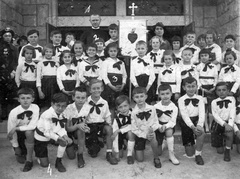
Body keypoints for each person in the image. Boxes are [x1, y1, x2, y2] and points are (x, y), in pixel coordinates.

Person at [34, 93, 72, 172]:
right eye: (58, 105)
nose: (60, 108)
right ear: (52, 104)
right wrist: (58, 138)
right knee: (44, 164)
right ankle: (39, 155)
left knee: (64, 143)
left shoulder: (63, 113)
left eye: (63, 106)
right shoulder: (47, 115)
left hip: (53, 133)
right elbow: (47, 133)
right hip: (42, 137)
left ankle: (58, 161)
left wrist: (65, 136)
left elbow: (60, 127)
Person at [85, 79, 118, 164]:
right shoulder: (85, 102)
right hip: (89, 126)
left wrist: (110, 125)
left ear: (102, 89)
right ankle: (95, 144)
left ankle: (109, 153)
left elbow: (107, 115)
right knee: (93, 153)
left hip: (100, 125)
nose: (96, 90)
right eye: (94, 88)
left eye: (98, 88)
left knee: (108, 129)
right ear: (90, 90)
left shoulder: (104, 102)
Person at [7, 88, 39, 172]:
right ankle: (21, 150)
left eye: (28, 98)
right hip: (19, 133)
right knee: (21, 160)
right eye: (22, 98)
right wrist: (15, 146)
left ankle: (29, 160)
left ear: (33, 99)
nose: (25, 100)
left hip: (30, 131)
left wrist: (16, 128)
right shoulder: (14, 112)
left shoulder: (35, 108)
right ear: (18, 100)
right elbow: (10, 130)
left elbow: (32, 126)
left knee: (29, 132)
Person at [131, 87, 161, 168]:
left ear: (146, 97)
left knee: (153, 137)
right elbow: (134, 129)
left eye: (141, 96)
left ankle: (156, 158)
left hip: (150, 132)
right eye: (137, 97)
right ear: (133, 98)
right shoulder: (133, 112)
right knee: (140, 159)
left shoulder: (152, 108)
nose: (139, 99)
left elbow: (156, 122)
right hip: (140, 134)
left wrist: (152, 130)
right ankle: (136, 148)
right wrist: (144, 135)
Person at [178, 77, 205, 165]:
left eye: (193, 86)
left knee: (201, 131)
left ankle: (198, 154)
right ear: (184, 88)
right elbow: (184, 116)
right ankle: (193, 142)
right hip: (186, 122)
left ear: (197, 87)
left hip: (197, 120)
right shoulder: (181, 99)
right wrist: (192, 127)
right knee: (189, 154)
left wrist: (199, 125)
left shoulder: (200, 98)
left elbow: (202, 113)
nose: (191, 89)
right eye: (188, 86)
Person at [63, 86, 90, 168]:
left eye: (83, 98)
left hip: (78, 131)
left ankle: (80, 155)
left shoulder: (87, 107)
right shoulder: (68, 108)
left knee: (81, 131)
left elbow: (85, 122)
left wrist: (86, 127)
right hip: (68, 132)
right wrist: (78, 125)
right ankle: (73, 144)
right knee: (71, 157)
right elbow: (67, 128)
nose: (80, 100)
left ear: (86, 98)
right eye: (78, 97)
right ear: (73, 97)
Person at [154, 84, 180, 165]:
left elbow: (173, 122)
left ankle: (171, 155)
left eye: (167, 93)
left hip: (169, 126)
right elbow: (154, 120)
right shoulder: (155, 106)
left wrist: (165, 126)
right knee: (158, 153)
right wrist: (159, 127)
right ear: (159, 95)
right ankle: (163, 143)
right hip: (158, 126)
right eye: (162, 94)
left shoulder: (174, 107)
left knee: (168, 132)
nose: (165, 96)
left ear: (171, 94)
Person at [211, 82, 235, 161]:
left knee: (230, 131)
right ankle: (221, 142)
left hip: (229, 122)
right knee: (220, 151)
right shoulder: (214, 102)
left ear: (228, 91)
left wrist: (230, 124)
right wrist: (224, 124)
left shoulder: (232, 99)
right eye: (219, 90)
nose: (221, 92)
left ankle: (227, 150)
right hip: (218, 123)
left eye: (224, 90)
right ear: (216, 92)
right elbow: (215, 116)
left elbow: (232, 112)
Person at [196, 48, 218, 132]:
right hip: (202, 89)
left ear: (209, 57)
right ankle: (206, 125)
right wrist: (201, 87)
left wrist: (214, 87)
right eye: (202, 56)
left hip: (211, 88)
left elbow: (216, 77)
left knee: (211, 107)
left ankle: (211, 124)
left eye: (205, 55)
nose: (204, 57)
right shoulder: (198, 67)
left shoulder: (214, 67)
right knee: (203, 108)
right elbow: (197, 78)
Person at [101, 42, 127, 108]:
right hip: (109, 86)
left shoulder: (121, 63)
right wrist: (111, 86)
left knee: (119, 103)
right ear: (108, 52)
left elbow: (124, 75)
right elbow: (104, 76)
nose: (113, 53)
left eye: (115, 51)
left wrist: (123, 85)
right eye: (111, 51)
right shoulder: (106, 62)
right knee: (110, 105)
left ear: (118, 51)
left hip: (119, 86)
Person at [111, 95, 135, 164]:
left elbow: (133, 126)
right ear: (117, 108)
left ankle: (129, 155)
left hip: (130, 133)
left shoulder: (133, 113)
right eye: (120, 107)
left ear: (129, 105)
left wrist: (119, 130)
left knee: (130, 132)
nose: (123, 109)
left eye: (125, 106)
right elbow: (115, 134)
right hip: (120, 136)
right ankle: (123, 144)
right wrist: (116, 152)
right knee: (120, 156)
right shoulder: (117, 118)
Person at [36, 44, 59, 108]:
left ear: (53, 53)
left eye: (50, 52)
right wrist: (39, 90)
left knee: (54, 102)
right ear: (44, 52)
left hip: (55, 85)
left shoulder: (56, 63)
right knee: (45, 104)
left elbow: (59, 76)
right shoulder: (40, 63)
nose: (48, 53)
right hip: (45, 85)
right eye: (46, 52)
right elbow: (38, 77)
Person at [146, 36, 165, 101]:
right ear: (151, 44)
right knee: (152, 90)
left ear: (160, 43)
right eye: (153, 42)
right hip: (152, 74)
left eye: (157, 42)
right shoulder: (148, 55)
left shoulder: (163, 52)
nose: (155, 44)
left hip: (161, 74)